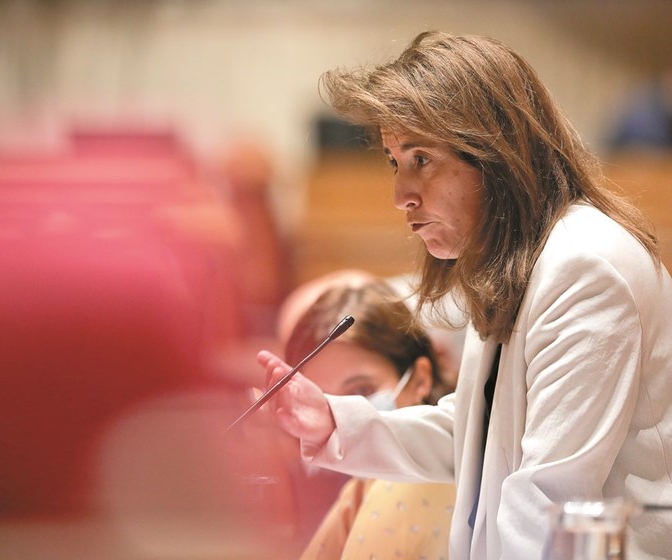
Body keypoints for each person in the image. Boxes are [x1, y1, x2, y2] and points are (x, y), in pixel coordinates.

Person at [257, 31, 672, 559]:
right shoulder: (522, 256)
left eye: (421, 159)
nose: (400, 195)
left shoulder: (585, 267)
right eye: (394, 162)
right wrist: (336, 423)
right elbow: (480, 439)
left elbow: (546, 500)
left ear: (493, 154)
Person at [279, 275, 455, 559]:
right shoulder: (357, 489)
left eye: (362, 390)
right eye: (321, 400)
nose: (338, 415)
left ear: (420, 379)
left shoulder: (410, 487)